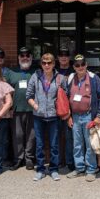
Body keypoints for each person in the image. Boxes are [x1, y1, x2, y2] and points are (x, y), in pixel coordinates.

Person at [66, 54, 100, 182]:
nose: (80, 67)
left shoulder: (94, 78)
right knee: (77, 144)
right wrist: (68, 116)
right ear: (74, 67)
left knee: (90, 145)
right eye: (77, 65)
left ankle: (91, 169)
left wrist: (99, 116)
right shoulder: (71, 78)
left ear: (86, 65)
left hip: (89, 116)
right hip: (75, 117)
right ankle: (79, 168)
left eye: (82, 64)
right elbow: (65, 99)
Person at [26, 53, 66, 181]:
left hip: (54, 116)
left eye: (49, 62)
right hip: (38, 116)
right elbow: (29, 95)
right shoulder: (35, 76)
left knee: (54, 144)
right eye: (44, 63)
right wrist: (35, 106)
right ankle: (41, 169)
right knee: (39, 144)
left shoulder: (60, 78)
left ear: (54, 64)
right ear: (41, 64)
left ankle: (54, 169)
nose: (47, 65)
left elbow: (65, 96)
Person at [3, 47, 36, 170]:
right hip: (16, 110)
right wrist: (8, 107)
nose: (25, 57)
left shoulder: (36, 72)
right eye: (22, 55)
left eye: (27, 55)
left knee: (31, 136)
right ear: (18, 58)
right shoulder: (11, 72)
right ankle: (18, 159)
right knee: (17, 136)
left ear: (31, 58)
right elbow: (6, 91)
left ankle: (29, 159)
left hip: (32, 110)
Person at [57, 46, 75, 170]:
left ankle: (69, 162)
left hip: (70, 110)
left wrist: (69, 113)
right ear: (58, 58)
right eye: (61, 55)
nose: (63, 57)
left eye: (66, 55)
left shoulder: (74, 72)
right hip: (56, 109)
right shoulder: (53, 71)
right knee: (56, 137)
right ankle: (58, 161)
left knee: (69, 138)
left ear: (69, 57)